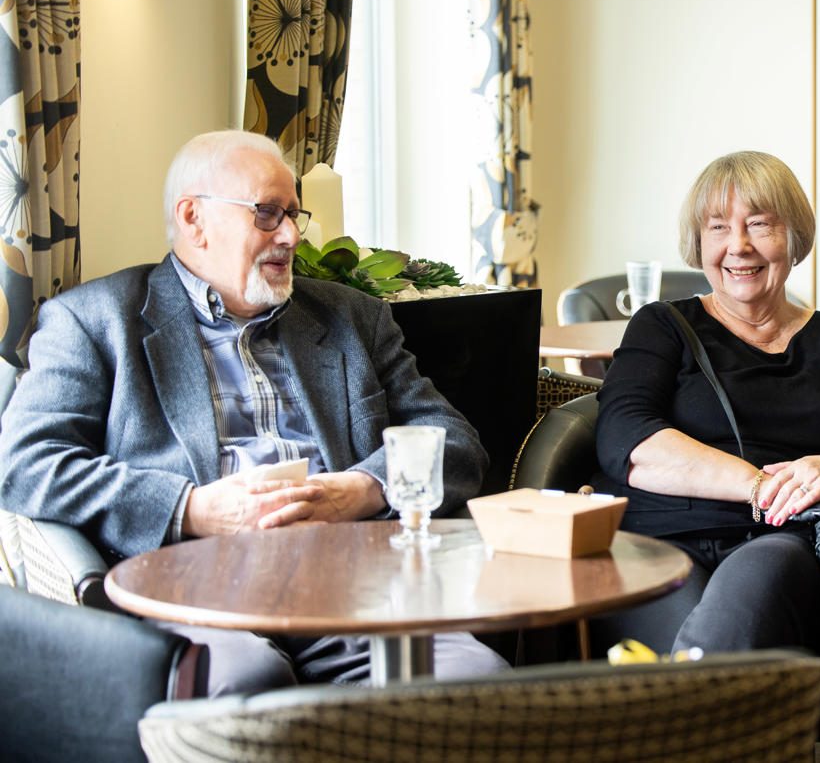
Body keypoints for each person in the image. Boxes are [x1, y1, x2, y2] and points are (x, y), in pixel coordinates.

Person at [0, 130, 508, 694]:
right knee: (243, 688)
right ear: (193, 218)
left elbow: (454, 441)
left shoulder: (351, 319)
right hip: (193, 589)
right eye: (267, 213)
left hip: (351, 586)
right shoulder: (95, 322)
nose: (290, 235)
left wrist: (363, 489)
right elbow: (22, 464)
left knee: (478, 682)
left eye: (294, 214)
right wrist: (189, 509)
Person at [591, 151, 820, 657]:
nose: (738, 246)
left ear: (793, 237)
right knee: (684, 641)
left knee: (759, 578)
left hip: (781, 546)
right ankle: (709, 712)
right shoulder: (663, 326)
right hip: (662, 537)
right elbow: (625, 437)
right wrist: (763, 487)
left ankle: (686, 711)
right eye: (718, 227)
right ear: (699, 243)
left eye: (760, 225)